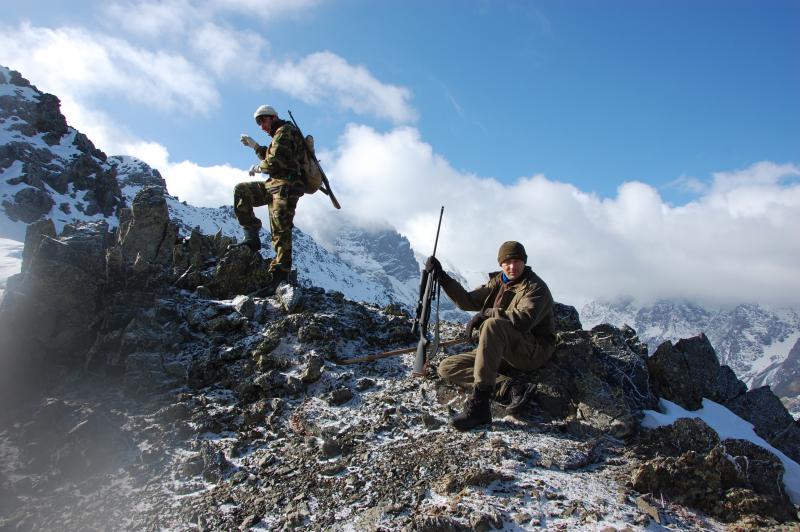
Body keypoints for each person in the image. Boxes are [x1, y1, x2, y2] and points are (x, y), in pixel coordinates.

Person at [426, 241, 556, 431]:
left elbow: (524, 320)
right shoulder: (499, 282)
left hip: (531, 351)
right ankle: (510, 387)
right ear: (501, 264)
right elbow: (468, 301)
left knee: (492, 324)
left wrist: (486, 313)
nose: (512, 267)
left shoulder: (535, 287)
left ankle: (480, 404)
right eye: (507, 262)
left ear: (524, 262)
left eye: (517, 261)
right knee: (447, 367)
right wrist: (443, 277)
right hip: (502, 349)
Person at [235, 105, 306, 290]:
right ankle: (251, 237)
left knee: (280, 227)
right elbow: (272, 154)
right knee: (242, 191)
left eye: (263, 121)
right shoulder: (279, 134)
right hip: (274, 185)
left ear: (273, 117)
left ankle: (280, 274)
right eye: (259, 123)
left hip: (287, 186)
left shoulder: (285, 131)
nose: (262, 126)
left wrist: (259, 167)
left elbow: (275, 161)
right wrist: (255, 147)